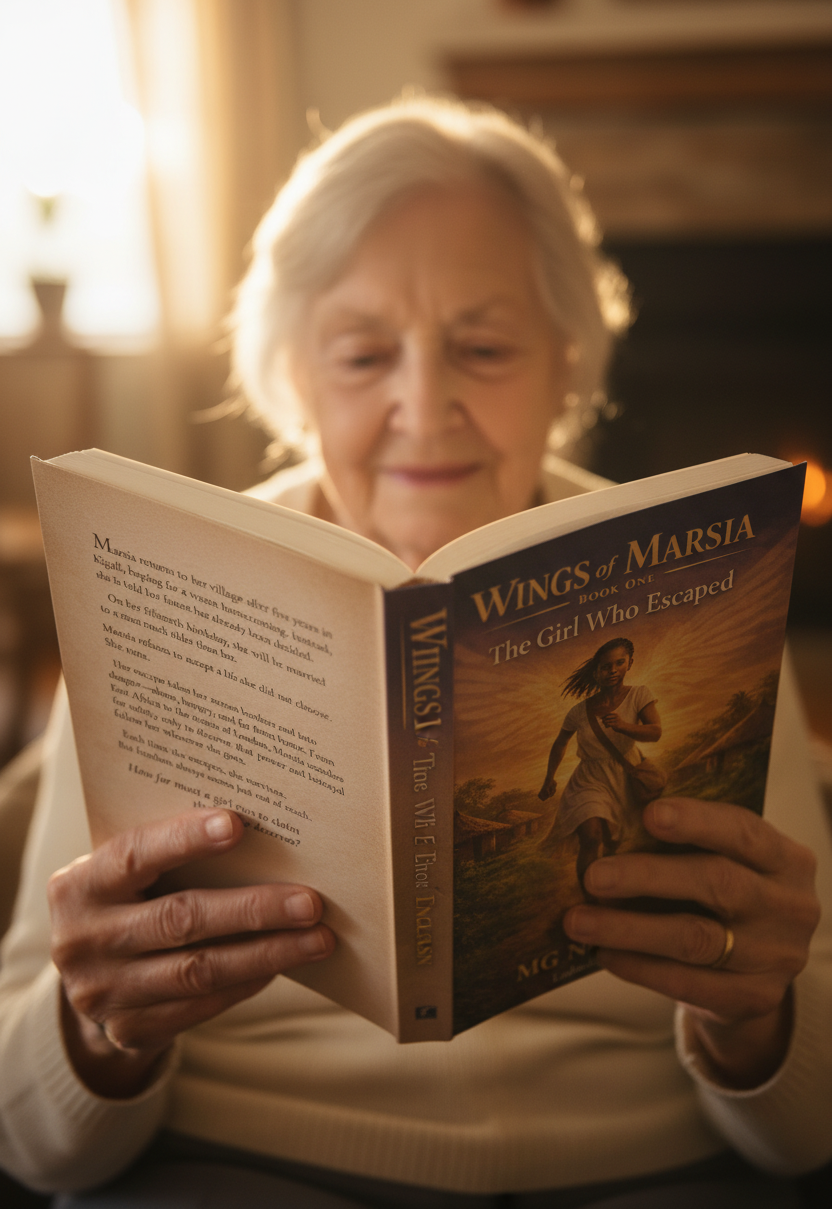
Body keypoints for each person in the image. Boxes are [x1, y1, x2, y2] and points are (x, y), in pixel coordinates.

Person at [0, 97, 830, 1208]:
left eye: (483, 348)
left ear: (566, 365)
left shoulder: (698, 579)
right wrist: (97, 1034)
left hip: (643, 1163)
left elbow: (805, 1137)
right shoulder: (156, 591)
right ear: (293, 378)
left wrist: (754, 1022)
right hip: (240, 1163)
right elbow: (38, 1147)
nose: (422, 405)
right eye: (361, 355)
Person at [538, 638, 662, 898]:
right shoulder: (578, 712)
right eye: (606, 666)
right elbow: (560, 743)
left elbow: (655, 732)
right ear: (596, 672)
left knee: (612, 839)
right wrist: (549, 777)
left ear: (630, 663)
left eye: (619, 663)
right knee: (590, 836)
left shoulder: (640, 694)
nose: (613, 670)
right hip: (588, 779)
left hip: (623, 775)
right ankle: (590, 898)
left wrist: (623, 726)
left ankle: (610, 875)